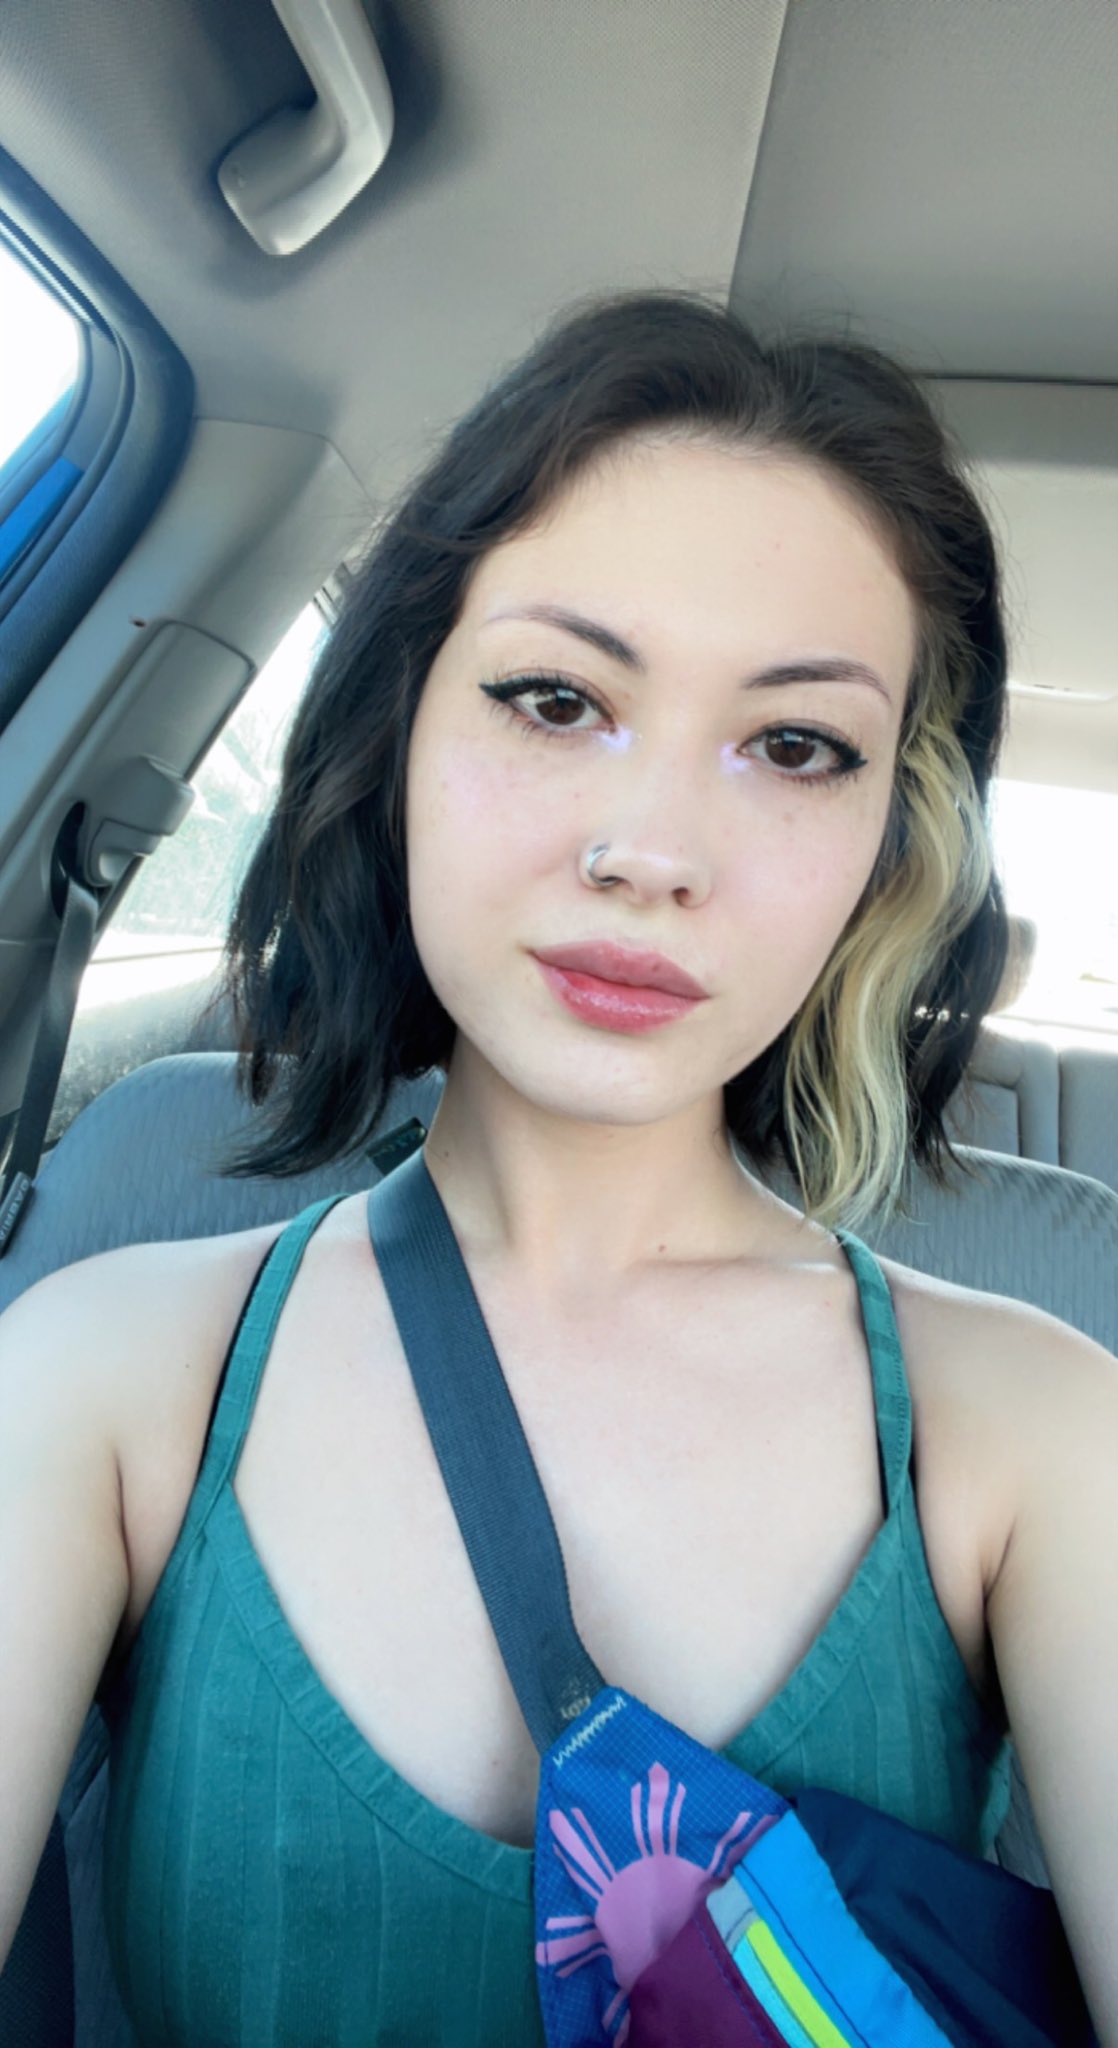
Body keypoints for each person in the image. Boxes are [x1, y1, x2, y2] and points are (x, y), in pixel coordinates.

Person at [1, 292, 1114, 2046]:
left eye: (795, 746)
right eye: (554, 698)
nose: (651, 850)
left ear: (883, 847)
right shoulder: (103, 1374)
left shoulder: (1041, 1432)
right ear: (397, 735)